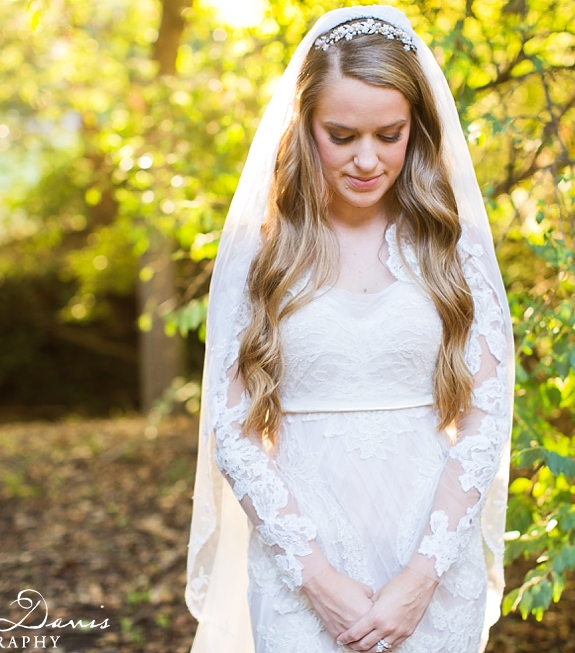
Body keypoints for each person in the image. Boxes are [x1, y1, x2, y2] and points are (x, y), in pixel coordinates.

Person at [184, 6, 515, 653]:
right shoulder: (264, 251)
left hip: (432, 556)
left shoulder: (454, 243)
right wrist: (317, 577)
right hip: (299, 564)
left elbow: (486, 414)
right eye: (342, 135)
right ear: (305, 126)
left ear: (415, 128)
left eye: (389, 134)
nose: (368, 159)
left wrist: (421, 575)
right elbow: (232, 427)